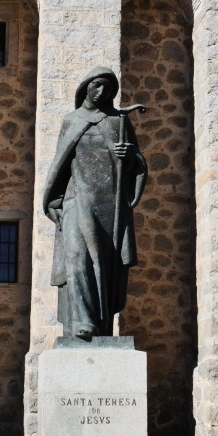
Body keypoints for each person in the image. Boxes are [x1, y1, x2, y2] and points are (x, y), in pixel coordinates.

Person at [43, 66, 147, 338]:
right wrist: (54, 201)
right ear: (86, 86)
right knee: (76, 256)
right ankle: (82, 320)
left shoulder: (118, 122)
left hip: (108, 205)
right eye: (97, 85)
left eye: (108, 89)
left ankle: (101, 324)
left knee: (103, 265)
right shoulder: (71, 120)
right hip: (76, 199)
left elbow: (136, 163)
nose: (102, 92)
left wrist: (129, 156)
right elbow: (60, 164)